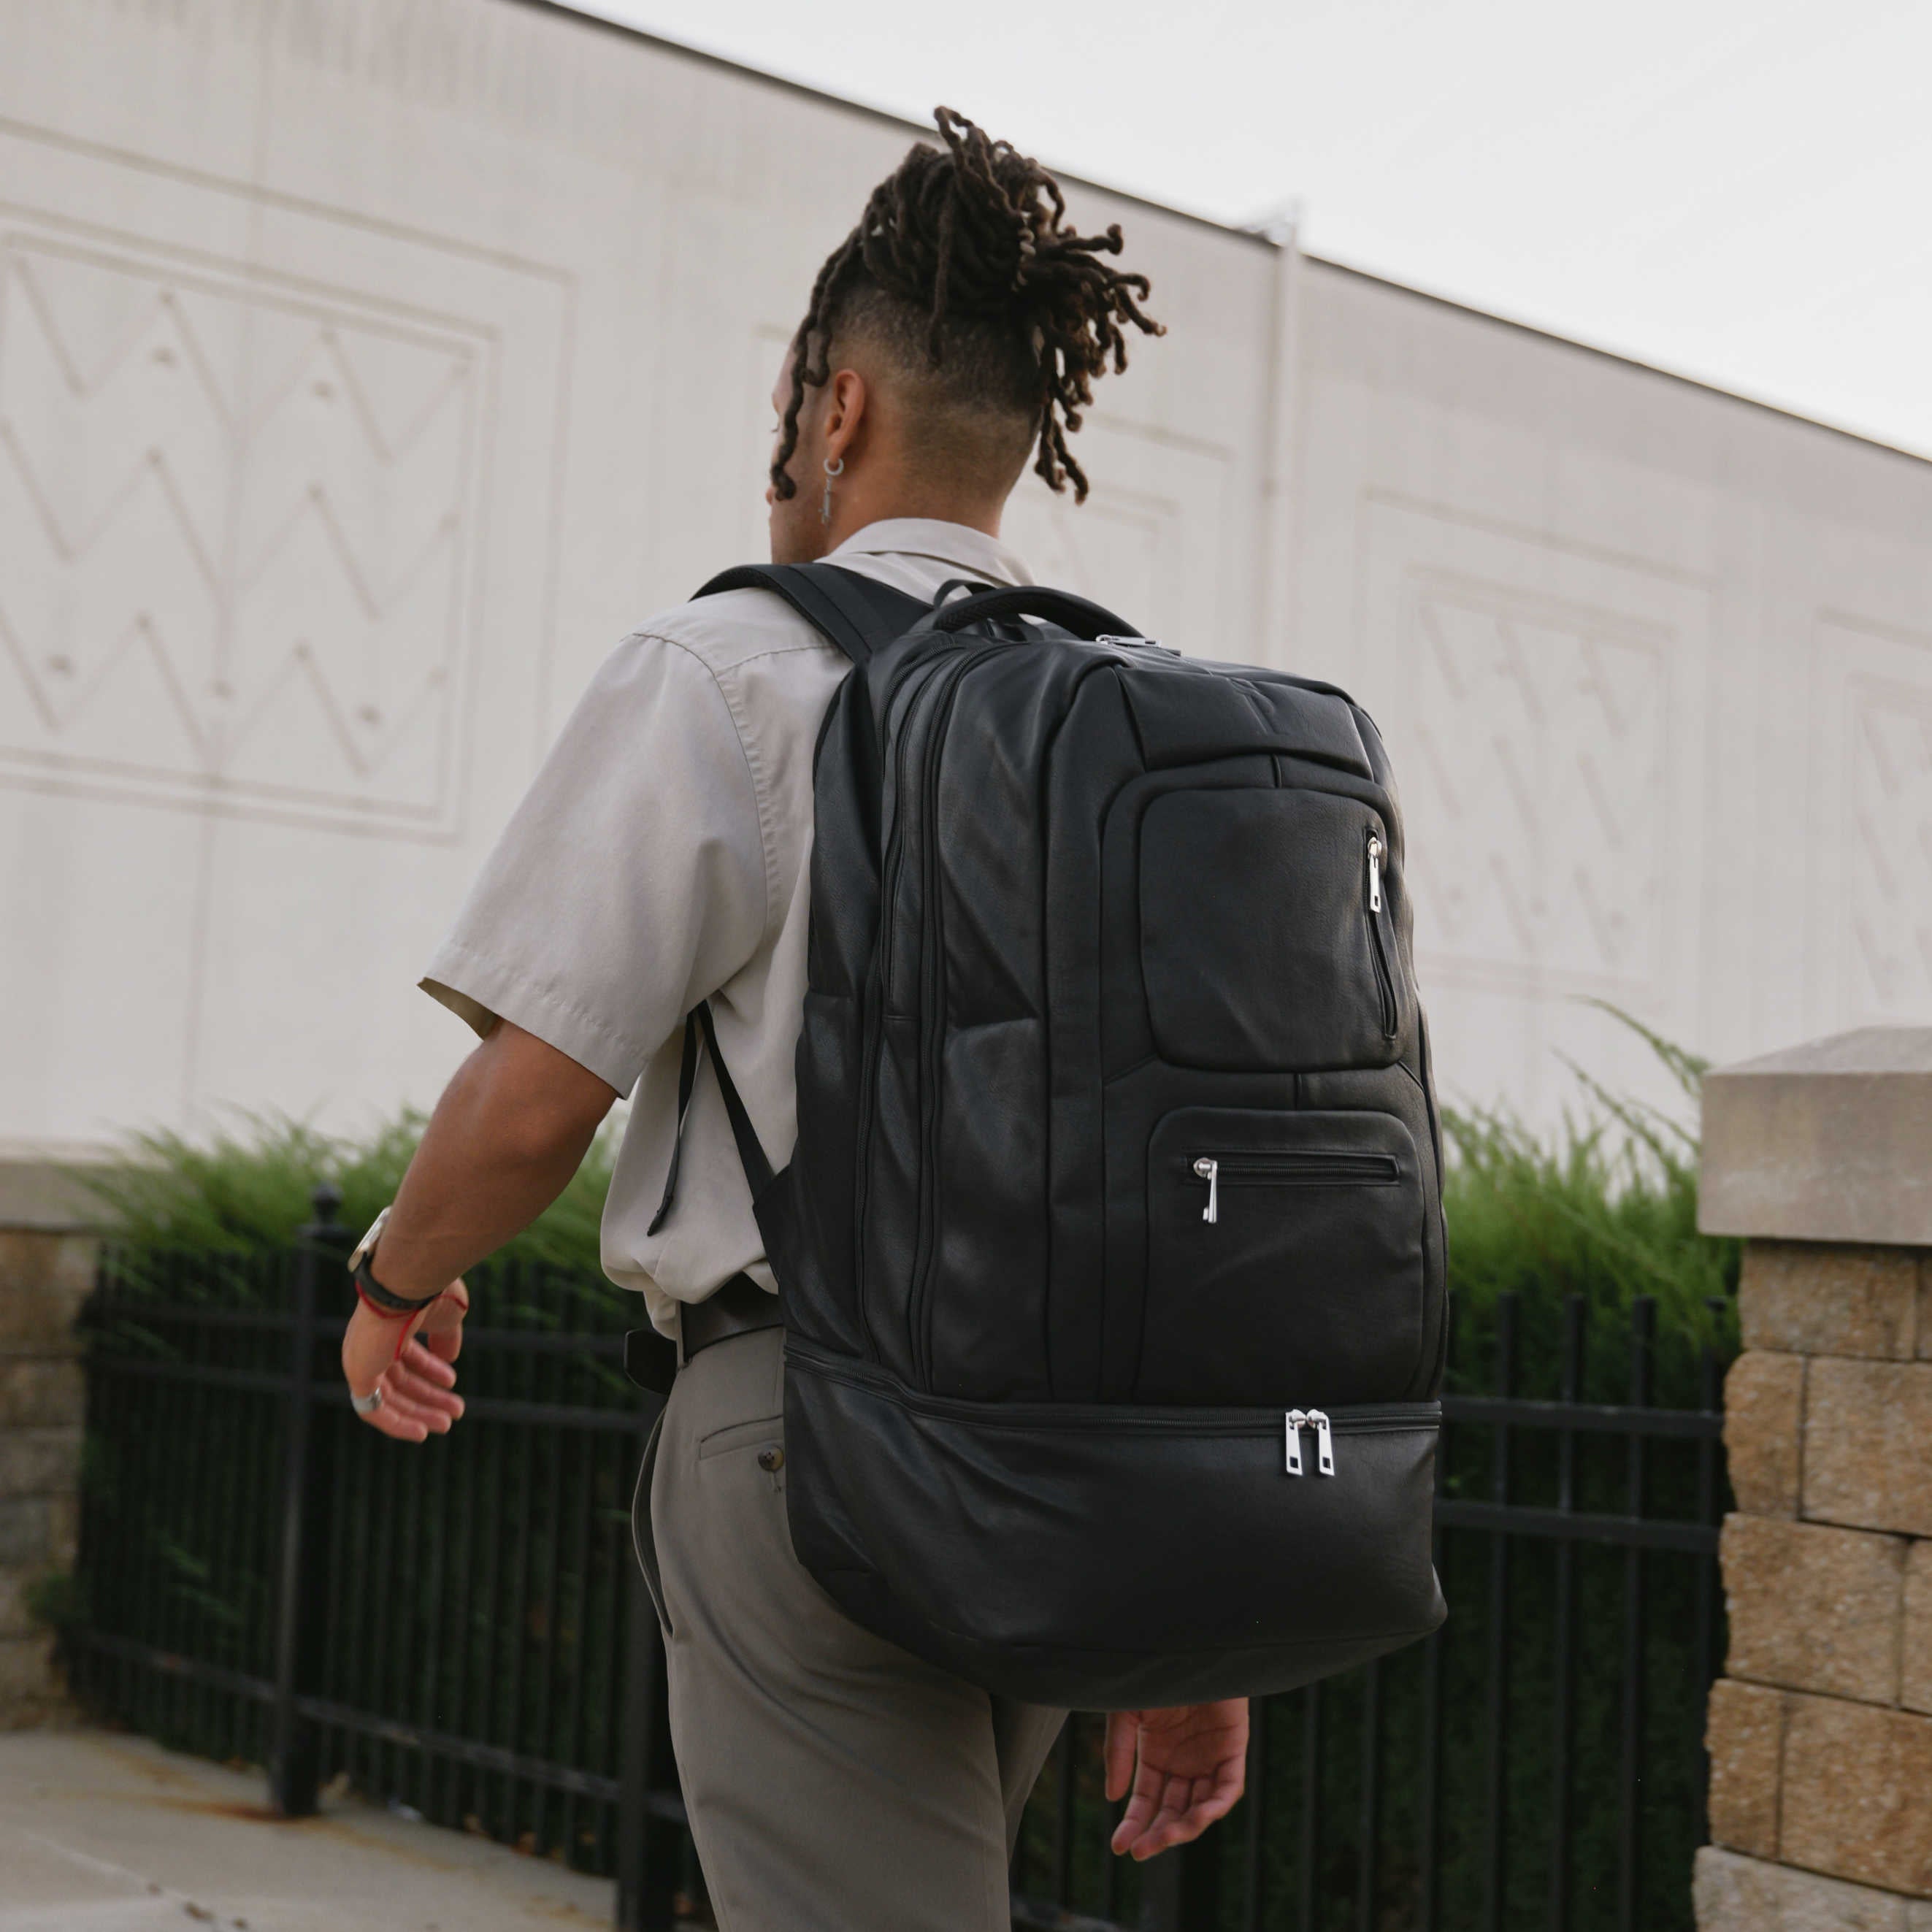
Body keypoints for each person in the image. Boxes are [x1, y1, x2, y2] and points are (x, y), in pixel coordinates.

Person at [337, 108, 1249, 1932]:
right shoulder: (1138, 724)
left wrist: (389, 1284)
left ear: (834, 408)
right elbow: (1186, 1191)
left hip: (804, 1435)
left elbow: (533, 1100)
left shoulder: (734, 669)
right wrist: (1189, 1601)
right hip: (1065, 1450)